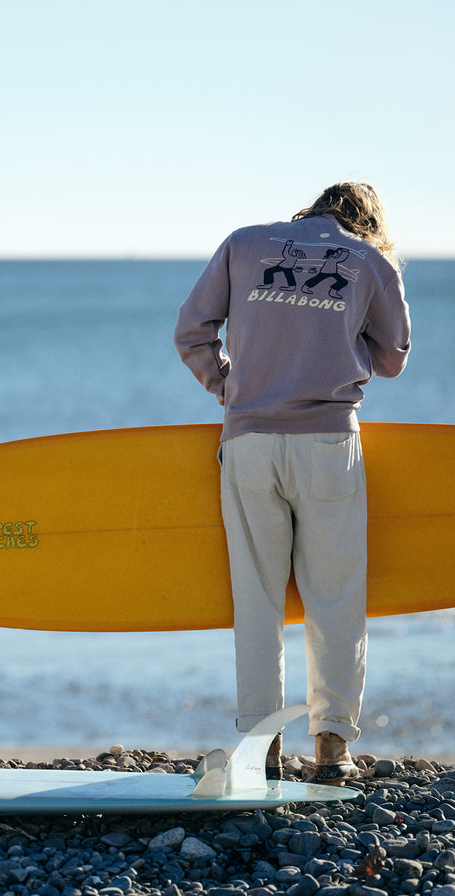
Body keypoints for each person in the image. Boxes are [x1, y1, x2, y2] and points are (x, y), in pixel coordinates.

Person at [173, 181, 410, 782]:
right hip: (329, 445)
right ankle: (332, 749)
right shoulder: (371, 262)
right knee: (335, 599)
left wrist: (229, 387)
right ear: (369, 223)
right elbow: (393, 359)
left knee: (257, 600)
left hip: (248, 442)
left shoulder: (244, 244)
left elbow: (192, 332)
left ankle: (263, 748)